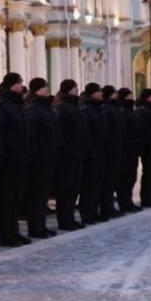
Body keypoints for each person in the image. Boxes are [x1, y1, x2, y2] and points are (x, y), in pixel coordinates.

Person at [0, 72, 29, 246]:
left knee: (14, 199)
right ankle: (6, 234)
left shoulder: (17, 104)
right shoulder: (2, 105)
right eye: (19, 83)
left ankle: (14, 232)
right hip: (7, 162)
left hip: (18, 159)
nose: (22, 86)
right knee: (5, 199)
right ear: (11, 85)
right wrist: (2, 158)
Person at [23, 78, 59, 239]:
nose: (47, 89)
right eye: (45, 87)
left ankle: (41, 226)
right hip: (38, 160)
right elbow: (33, 136)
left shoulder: (45, 107)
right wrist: (36, 155)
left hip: (47, 157)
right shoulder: (33, 108)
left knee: (42, 195)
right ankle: (35, 228)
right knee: (36, 195)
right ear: (38, 89)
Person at [53, 79, 86, 231]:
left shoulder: (74, 106)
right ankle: (65, 220)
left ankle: (70, 218)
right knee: (65, 190)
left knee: (73, 189)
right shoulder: (62, 107)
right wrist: (66, 151)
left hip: (76, 154)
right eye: (74, 88)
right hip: (67, 156)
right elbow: (61, 132)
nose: (77, 90)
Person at [78, 82, 107, 225]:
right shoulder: (86, 109)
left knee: (96, 184)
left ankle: (94, 211)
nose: (101, 93)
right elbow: (86, 132)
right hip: (91, 154)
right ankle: (87, 213)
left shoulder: (98, 108)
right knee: (88, 185)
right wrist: (89, 150)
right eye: (98, 91)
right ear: (92, 93)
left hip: (100, 152)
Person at [113, 88, 141, 211]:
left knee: (131, 177)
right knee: (125, 178)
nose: (131, 98)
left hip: (133, 149)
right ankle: (124, 202)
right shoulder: (122, 111)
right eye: (129, 96)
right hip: (126, 149)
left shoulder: (130, 111)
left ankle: (128, 201)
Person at [99, 85, 123, 220]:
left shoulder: (114, 108)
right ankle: (106, 208)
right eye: (114, 93)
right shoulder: (107, 109)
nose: (116, 95)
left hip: (115, 148)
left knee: (112, 180)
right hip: (110, 149)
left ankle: (109, 207)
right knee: (107, 181)